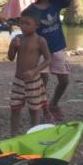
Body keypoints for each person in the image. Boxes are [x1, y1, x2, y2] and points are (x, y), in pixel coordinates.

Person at [25, 0, 78, 122]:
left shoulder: (56, 3)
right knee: (42, 81)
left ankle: (54, 103)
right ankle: (46, 109)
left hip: (57, 49)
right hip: (40, 52)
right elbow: (26, 28)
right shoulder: (32, 9)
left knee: (64, 81)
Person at [8, 8, 51, 136]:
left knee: (34, 110)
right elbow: (10, 57)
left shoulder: (40, 41)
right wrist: (13, 46)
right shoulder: (18, 38)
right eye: (21, 23)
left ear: (37, 25)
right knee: (15, 109)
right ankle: (13, 136)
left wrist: (35, 71)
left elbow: (48, 60)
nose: (23, 26)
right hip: (18, 80)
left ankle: (34, 135)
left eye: (27, 23)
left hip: (33, 81)